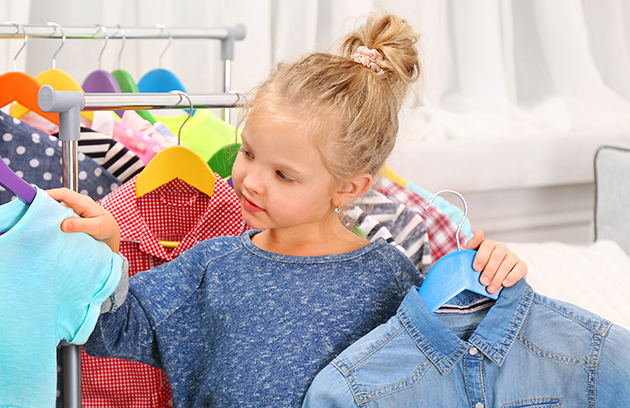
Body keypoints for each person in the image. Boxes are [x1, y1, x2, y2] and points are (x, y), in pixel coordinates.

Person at [47, 12, 527, 408]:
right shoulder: (210, 266)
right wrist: (107, 253)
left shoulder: (390, 277)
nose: (251, 180)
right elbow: (110, 330)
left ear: (349, 188)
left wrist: (495, 279)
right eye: (249, 153)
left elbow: (468, 360)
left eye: (284, 175)